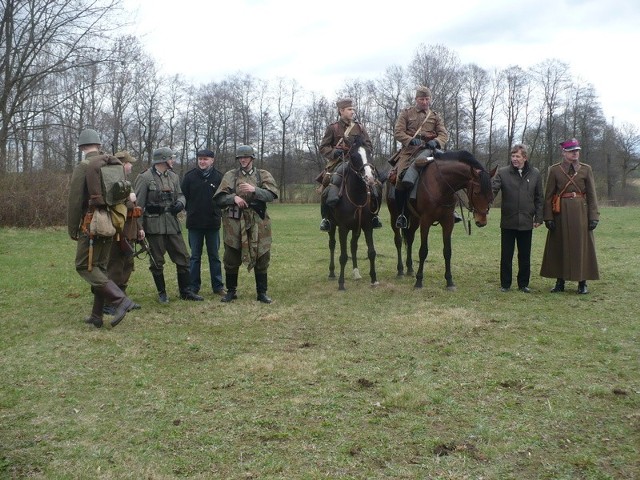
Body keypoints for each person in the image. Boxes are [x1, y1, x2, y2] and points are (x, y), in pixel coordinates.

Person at [67, 129, 136, 328]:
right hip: (113, 222)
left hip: (91, 224)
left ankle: (120, 300)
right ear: (99, 145)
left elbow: (75, 201)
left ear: (81, 147)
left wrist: (73, 228)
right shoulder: (113, 165)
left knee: (84, 265)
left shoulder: (84, 166)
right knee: (101, 267)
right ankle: (97, 316)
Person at [134, 147, 204, 303]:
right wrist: (139, 228)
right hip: (154, 225)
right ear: (163, 160)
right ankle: (162, 293)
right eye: (171, 158)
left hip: (172, 224)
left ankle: (186, 291)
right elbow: (138, 206)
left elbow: (180, 195)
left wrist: (180, 203)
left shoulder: (173, 177)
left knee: (183, 257)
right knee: (157, 260)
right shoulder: (144, 178)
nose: (173, 160)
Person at [214, 145, 278, 303]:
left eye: (246, 157)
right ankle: (231, 291)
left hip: (258, 221)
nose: (243, 160)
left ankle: (261, 292)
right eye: (240, 158)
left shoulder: (262, 174)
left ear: (252, 158)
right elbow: (219, 198)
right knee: (231, 255)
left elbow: (272, 195)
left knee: (262, 255)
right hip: (234, 221)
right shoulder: (230, 175)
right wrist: (233, 198)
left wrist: (255, 190)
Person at [392, 86, 458, 229]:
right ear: (416, 99)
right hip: (410, 152)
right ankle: (402, 214)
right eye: (421, 99)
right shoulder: (406, 113)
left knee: (450, 174)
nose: (424, 102)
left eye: (427, 99)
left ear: (430, 99)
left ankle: (451, 211)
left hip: (432, 151)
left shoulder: (435, 116)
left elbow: (444, 134)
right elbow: (398, 132)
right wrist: (410, 140)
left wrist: (437, 141)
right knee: (400, 178)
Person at [540, 138, 600, 294]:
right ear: (564, 153)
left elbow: (592, 195)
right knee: (560, 245)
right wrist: (548, 217)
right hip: (560, 212)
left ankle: (582, 282)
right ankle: (560, 282)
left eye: (577, 150)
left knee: (582, 247)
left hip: (581, 212)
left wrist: (594, 216)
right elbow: (548, 195)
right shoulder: (554, 170)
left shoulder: (586, 169)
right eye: (572, 151)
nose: (575, 153)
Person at [317, 98, 382, 231]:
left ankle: (374, 215)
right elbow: (323, 147)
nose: (353, 112)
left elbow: (369, 145)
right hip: (338, 162)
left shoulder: (360, 127)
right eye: (349, 109)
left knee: (375, 183)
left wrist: (360, 150)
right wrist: (334, 152)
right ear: (341, 111)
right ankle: (326, 218)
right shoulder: (333, 128)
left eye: (353, 109)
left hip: (358, 162)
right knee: (327, 183)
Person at [491, 144, 543, 293]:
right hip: (508, 221)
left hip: (527, 222)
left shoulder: (535, 173)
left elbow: (540, 197)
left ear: (525, 158)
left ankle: (523, 284)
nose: (514, 159)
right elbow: (492, 191)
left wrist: (539, 217)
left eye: (517, 156)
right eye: (512, 156)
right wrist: (484, 203)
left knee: (525, 255)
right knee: (506, 255)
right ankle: (505, 284)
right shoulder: (503, 173)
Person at [103, 150, 144, 313]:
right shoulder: (112, 182)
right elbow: (113, 205)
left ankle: (121, 299)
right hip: (117, 231)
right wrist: (129, 199)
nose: (131, 166)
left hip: (129, 231)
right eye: (129, 162)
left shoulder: (126, 182)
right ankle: (109, 302)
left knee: (127, 265)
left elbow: (133, 210)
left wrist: (140, 229)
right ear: (121, 164)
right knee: (114, 266)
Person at [181, 148, 225, 297]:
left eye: (205, 159)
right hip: (194, 223)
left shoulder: (219, 177)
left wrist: (217, 211)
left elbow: (223, 198)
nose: (202, 161)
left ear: (212, 160)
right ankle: (193, 287)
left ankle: (218, 286)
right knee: (194, 257)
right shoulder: (189, 177)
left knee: (214, 256)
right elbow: (183, 197)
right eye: (200, 159)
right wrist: (190, 210)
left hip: (213, 223)